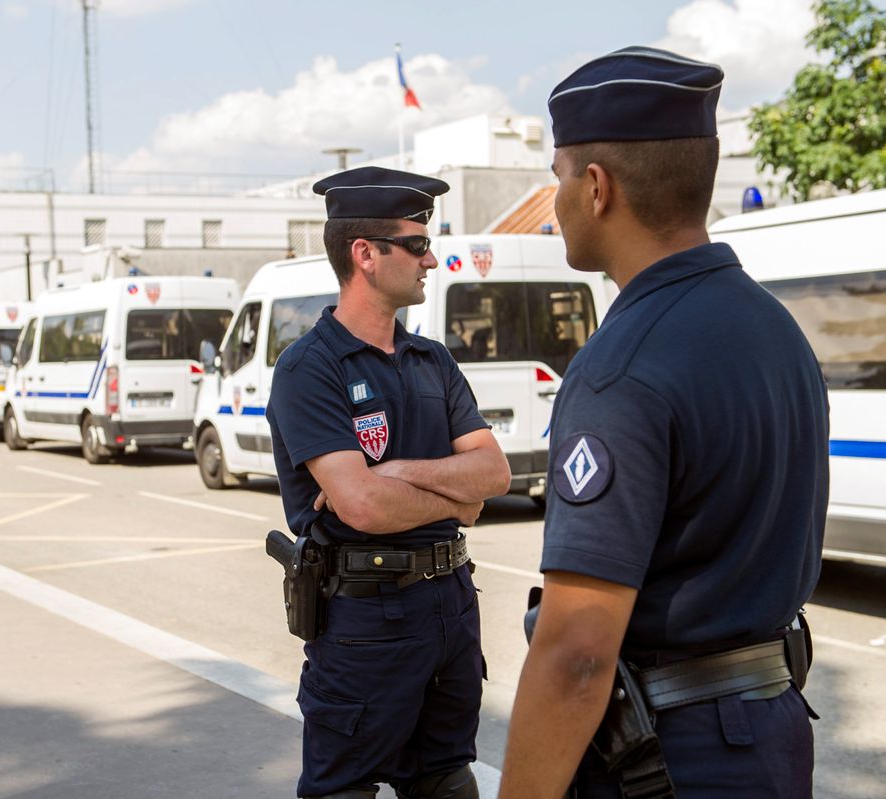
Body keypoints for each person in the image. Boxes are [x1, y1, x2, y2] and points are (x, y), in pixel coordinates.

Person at [500, 47, 828, 798]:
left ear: (595, 186)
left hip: (664, 763)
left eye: (555, 180)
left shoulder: (622, 365)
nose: (554, 203)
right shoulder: (774, 328)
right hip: (771, 736)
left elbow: (578, 652)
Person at [266, 165, 512, 799]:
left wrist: (399, 471)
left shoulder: (433, 359)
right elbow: (363, 506)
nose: (431, 260)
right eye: (417, 244)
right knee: (343, 788)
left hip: (450, 607)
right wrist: (447, 493)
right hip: (365, 618)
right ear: (365, 254)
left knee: (446, 779)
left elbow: (494, 475)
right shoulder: (309, 368)